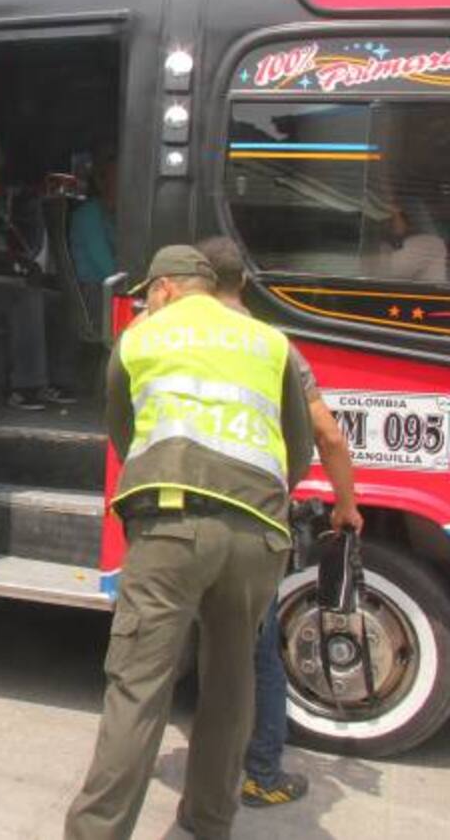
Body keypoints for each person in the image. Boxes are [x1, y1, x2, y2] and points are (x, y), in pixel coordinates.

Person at [64, 246, 314, 840]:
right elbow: (298, 451)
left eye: (150, 290)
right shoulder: (270, 341)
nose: (147, 300)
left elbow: (124, 435)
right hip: (259, 532)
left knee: (138, 685)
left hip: (171, 526)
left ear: (169, 289)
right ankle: (207, 823)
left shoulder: (140, 337)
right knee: (232, 681)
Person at [194, 235, 364, 809]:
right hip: (250, 522)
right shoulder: (273, 345)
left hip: (178, 522)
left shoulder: (172, 341)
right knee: (256, 650)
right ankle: (261, 772)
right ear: (243, 281)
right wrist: (346, 505)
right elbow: (330, 436)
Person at [0, 139, 76, 410]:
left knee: (61, 301)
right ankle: (25, 387)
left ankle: (57, 381)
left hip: (10, 274)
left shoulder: (14, 195)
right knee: (27, 298)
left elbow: (25, 241)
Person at [68, 151, 118, 324]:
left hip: (108, 291)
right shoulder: (89, 215)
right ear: (101, 182)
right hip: (94, 295)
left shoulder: (112, 216)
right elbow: (108, 268)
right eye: (117, 178)